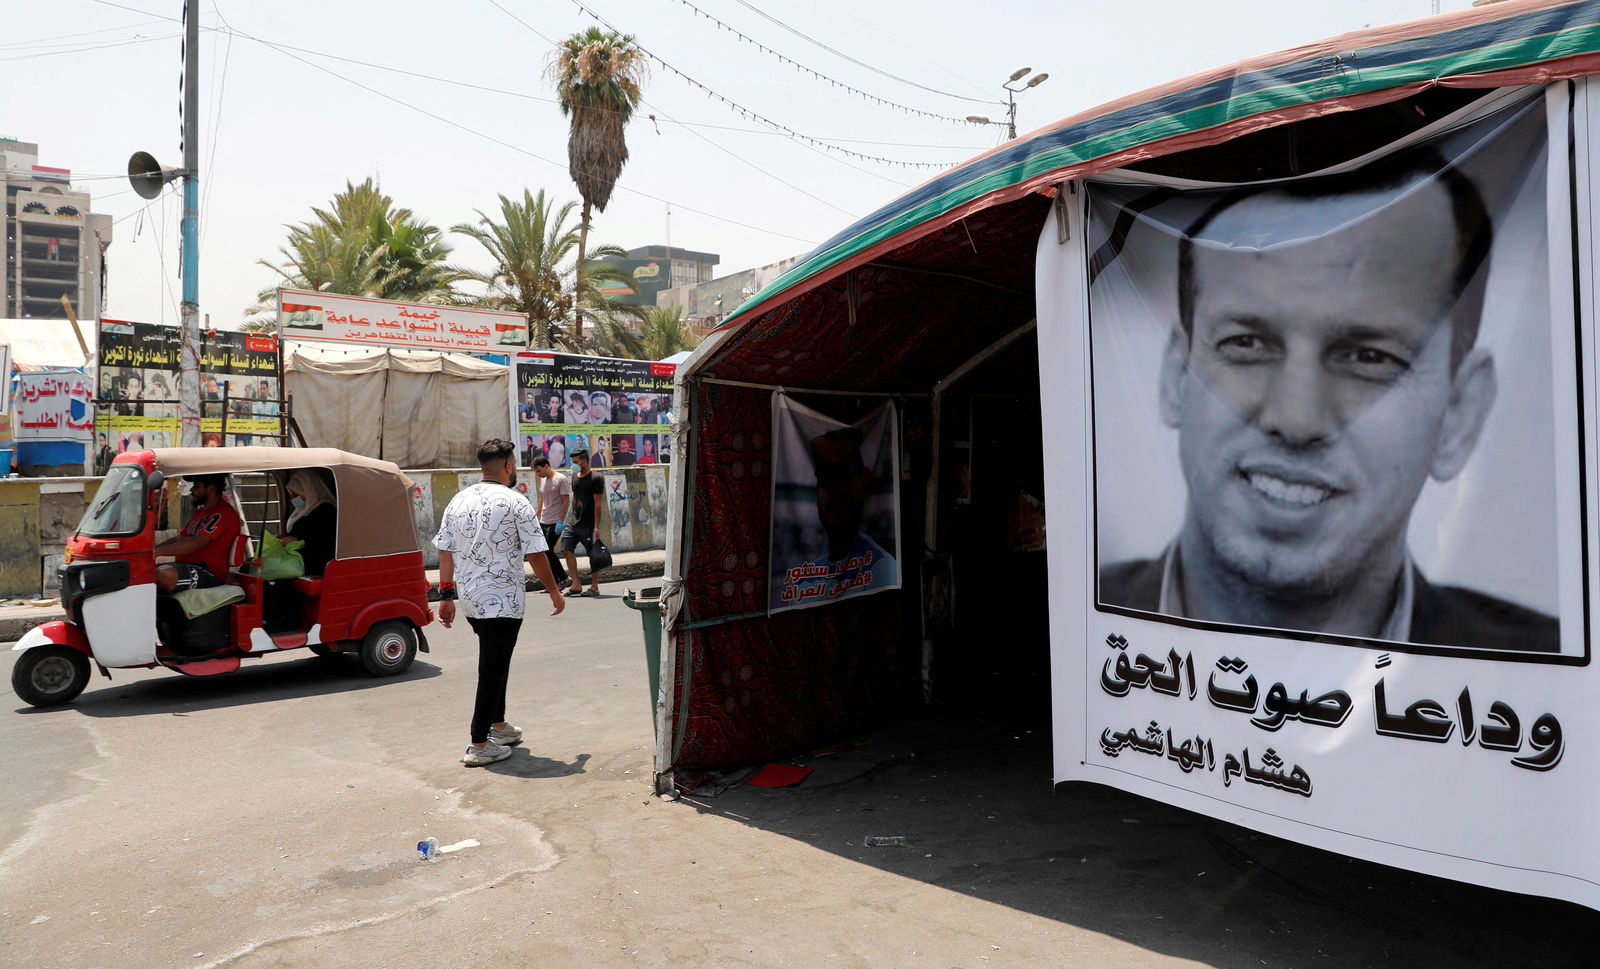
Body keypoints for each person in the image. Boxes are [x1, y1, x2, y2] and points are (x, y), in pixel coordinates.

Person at [1099, 150, 1557, 652]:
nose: (1296, 420)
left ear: (1460, 414)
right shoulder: (1064, 623)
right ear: (1175, 376)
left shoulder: (1548, 674)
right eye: (1246, 343)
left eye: (1368, 357)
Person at [434, 439, 566, 767]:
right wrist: (554, 591)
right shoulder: (515, 501)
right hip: (503, 602)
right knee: (492, 668)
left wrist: (446, 596)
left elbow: (445, 551)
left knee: (497, 661)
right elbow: (537, 553)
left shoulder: (458, 501)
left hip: (472, 601)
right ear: (508, 466)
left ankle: (499, 726)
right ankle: (479, 744)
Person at [155, 474, 243, 594]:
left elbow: (196, 543)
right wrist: (152, 550)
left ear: (211, 489)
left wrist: (158, 552)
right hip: (187, 565)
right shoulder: (202, 512)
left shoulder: (223, 513)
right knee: (144, 571)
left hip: (209, 572)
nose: (191, 490)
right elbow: (180, 538)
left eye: (197, 486)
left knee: (165, 576)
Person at [560, 448, 606, 597]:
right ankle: (576, 584)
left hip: (589, 524)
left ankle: (594, 587)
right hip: (574, 522)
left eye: (575, 462)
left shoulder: (596, 478)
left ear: (584, 461)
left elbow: (598, 504)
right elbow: (575, 497)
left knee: (593, 555)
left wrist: (596, 527)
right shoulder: (575, 476)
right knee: (566, 548)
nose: (573, 464)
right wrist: (572, 515)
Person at [282, 469, 338, 575]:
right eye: (292, 495)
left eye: (296, 494)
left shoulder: (326, 510)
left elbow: (326, 541)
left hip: (316, 566)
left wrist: (298, 540)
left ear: (308, 489)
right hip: (298, 562)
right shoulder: (303, 510)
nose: (294, 499)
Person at [532, 456, 571, 589]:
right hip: (544, 520)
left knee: (548, 550)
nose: (538, 474)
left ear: (546, 466)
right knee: (543, 552)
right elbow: (542, 497)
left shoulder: (560, 479)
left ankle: (564, 578)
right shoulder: (543, 479)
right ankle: (554, 583)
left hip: (555, 521)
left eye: (539, 471)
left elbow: (566, 500)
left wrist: (561, 520)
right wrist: (537, 513)